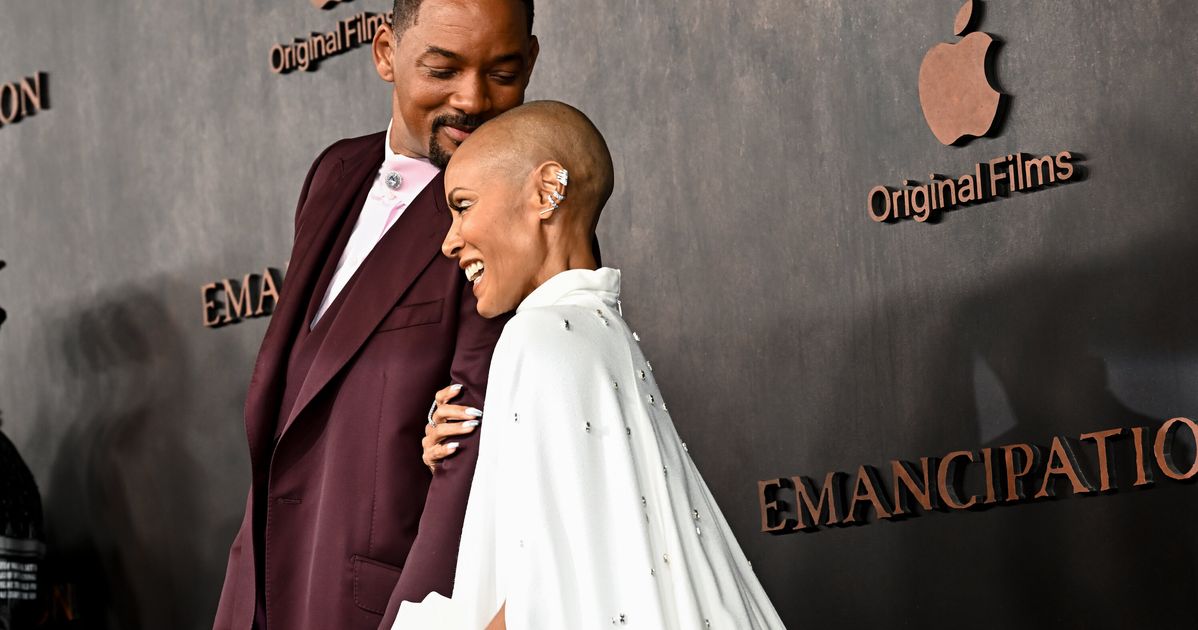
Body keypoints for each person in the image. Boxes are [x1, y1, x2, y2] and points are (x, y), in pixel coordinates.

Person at [395, 101, 786, 629]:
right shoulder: (604, 333)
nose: (449, 241)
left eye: (463, 206)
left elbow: (546, 604)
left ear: (547, 190)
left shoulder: (536, 336)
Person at [212, 1, 541, 628]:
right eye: (443, 70)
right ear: (387, 53)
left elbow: (472, 462)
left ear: (530, 62)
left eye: (501, 73)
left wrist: (417, 617)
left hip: (383, 606)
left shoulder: (525, 215)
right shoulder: (335, 171)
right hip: (261, 587)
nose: (472, 100)